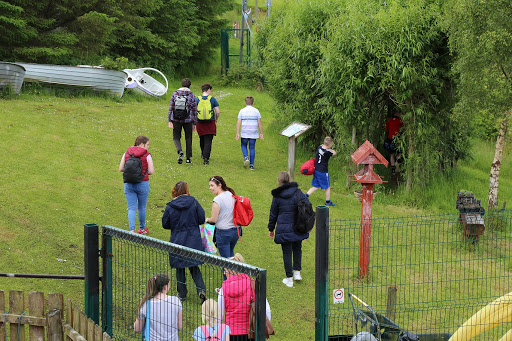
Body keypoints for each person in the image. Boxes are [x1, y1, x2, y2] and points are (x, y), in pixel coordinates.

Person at [162, 181, 207, 303]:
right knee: (194, 266)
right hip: (193, 239)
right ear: (186, 190)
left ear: (174, 191)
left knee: (179, 267)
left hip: (177, 239)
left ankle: (182, 294)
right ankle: (201, 290)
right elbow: (202, 218)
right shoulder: (193, 202)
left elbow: (165, 224)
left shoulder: (171, 206)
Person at [268, 171, 310, 288]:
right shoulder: (298, 192)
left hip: (284, 228)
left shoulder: (277, 196)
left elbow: (273, 214)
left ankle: (289, 279)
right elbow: (307, 205)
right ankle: (297, 273)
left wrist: (271, 228)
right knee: (297, 248)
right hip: (298, 226)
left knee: (287, 252)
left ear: (279, 181)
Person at [217, 253, 272, 341]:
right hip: (252, 332)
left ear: (232, 271)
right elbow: (267, 310)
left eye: (225, 271)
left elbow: (218, 315)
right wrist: (263, 328)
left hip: (231, 333)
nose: (224, 273)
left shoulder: (223, 289)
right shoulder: (254, 285)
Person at [119, 135, 155, 234]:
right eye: (147, 144)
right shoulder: (147, 155)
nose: (148, 147)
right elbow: (151, 171)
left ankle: (131, 230)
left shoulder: (127, 153)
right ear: (142, 144)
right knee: (142, 207)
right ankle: (142, 229)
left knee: (131, 208)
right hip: (142, 183)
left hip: (129, 184)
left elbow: (121, 168)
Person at [133, 273, 183, 341]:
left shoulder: (146, 305)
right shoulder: (176, 301)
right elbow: (179, 327)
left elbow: (137, 329)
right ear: (165, 287)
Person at [206, 176, 238, 259]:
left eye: (212, 185)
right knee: (231, 257)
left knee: (225, 262)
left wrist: (207, 219)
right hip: (235, 231)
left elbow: (213, 220)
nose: (210, 188)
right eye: (210, 186)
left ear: (219, 185)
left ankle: (227, 272)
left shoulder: (217, 200)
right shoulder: (230, 194)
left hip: (224, 233)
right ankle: (235, 272)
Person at [168, 78, 198, 164]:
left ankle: (179, 151)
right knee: (188, 138)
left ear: (181, 85)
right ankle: (188, 159)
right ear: (190, 86)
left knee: (176, 137)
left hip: (176, 119)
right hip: (188, 120)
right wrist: (195, 122)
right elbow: (195, 109)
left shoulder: (175, 94)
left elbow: (171, 107)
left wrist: (169, 119)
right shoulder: (192, 95)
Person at [306, 136, 337, 206]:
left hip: (316, 169)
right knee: (327, 186)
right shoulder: (327, 152)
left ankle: (306, 195)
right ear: (330, 145)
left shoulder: (319, 147)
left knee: (316, 185)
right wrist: (331, 149)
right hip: (323, 171)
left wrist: (328, 148)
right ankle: (328, 201)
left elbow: (323, 147)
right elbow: (334, 153)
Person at [235, 96, 263, 170]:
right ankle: (251, 165)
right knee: (252, 147)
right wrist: (261, 133)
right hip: (253, 132)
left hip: (245, 131)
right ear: (253, 103)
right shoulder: (256, 111)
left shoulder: (242, 111)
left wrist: (237, 133)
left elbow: (238, 122)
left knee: (243, 145)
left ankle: (246, 157)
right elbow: (259, 123)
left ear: (245, 103)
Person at [196, 83, 220, 165]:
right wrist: (216, 119)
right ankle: (206, 158)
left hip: (200, 122)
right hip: (210, 122)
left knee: (201, 138)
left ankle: (203, 153)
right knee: (208, 140)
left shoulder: (197, 99)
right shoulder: (212, 99)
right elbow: (218, 112)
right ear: (208, 89)